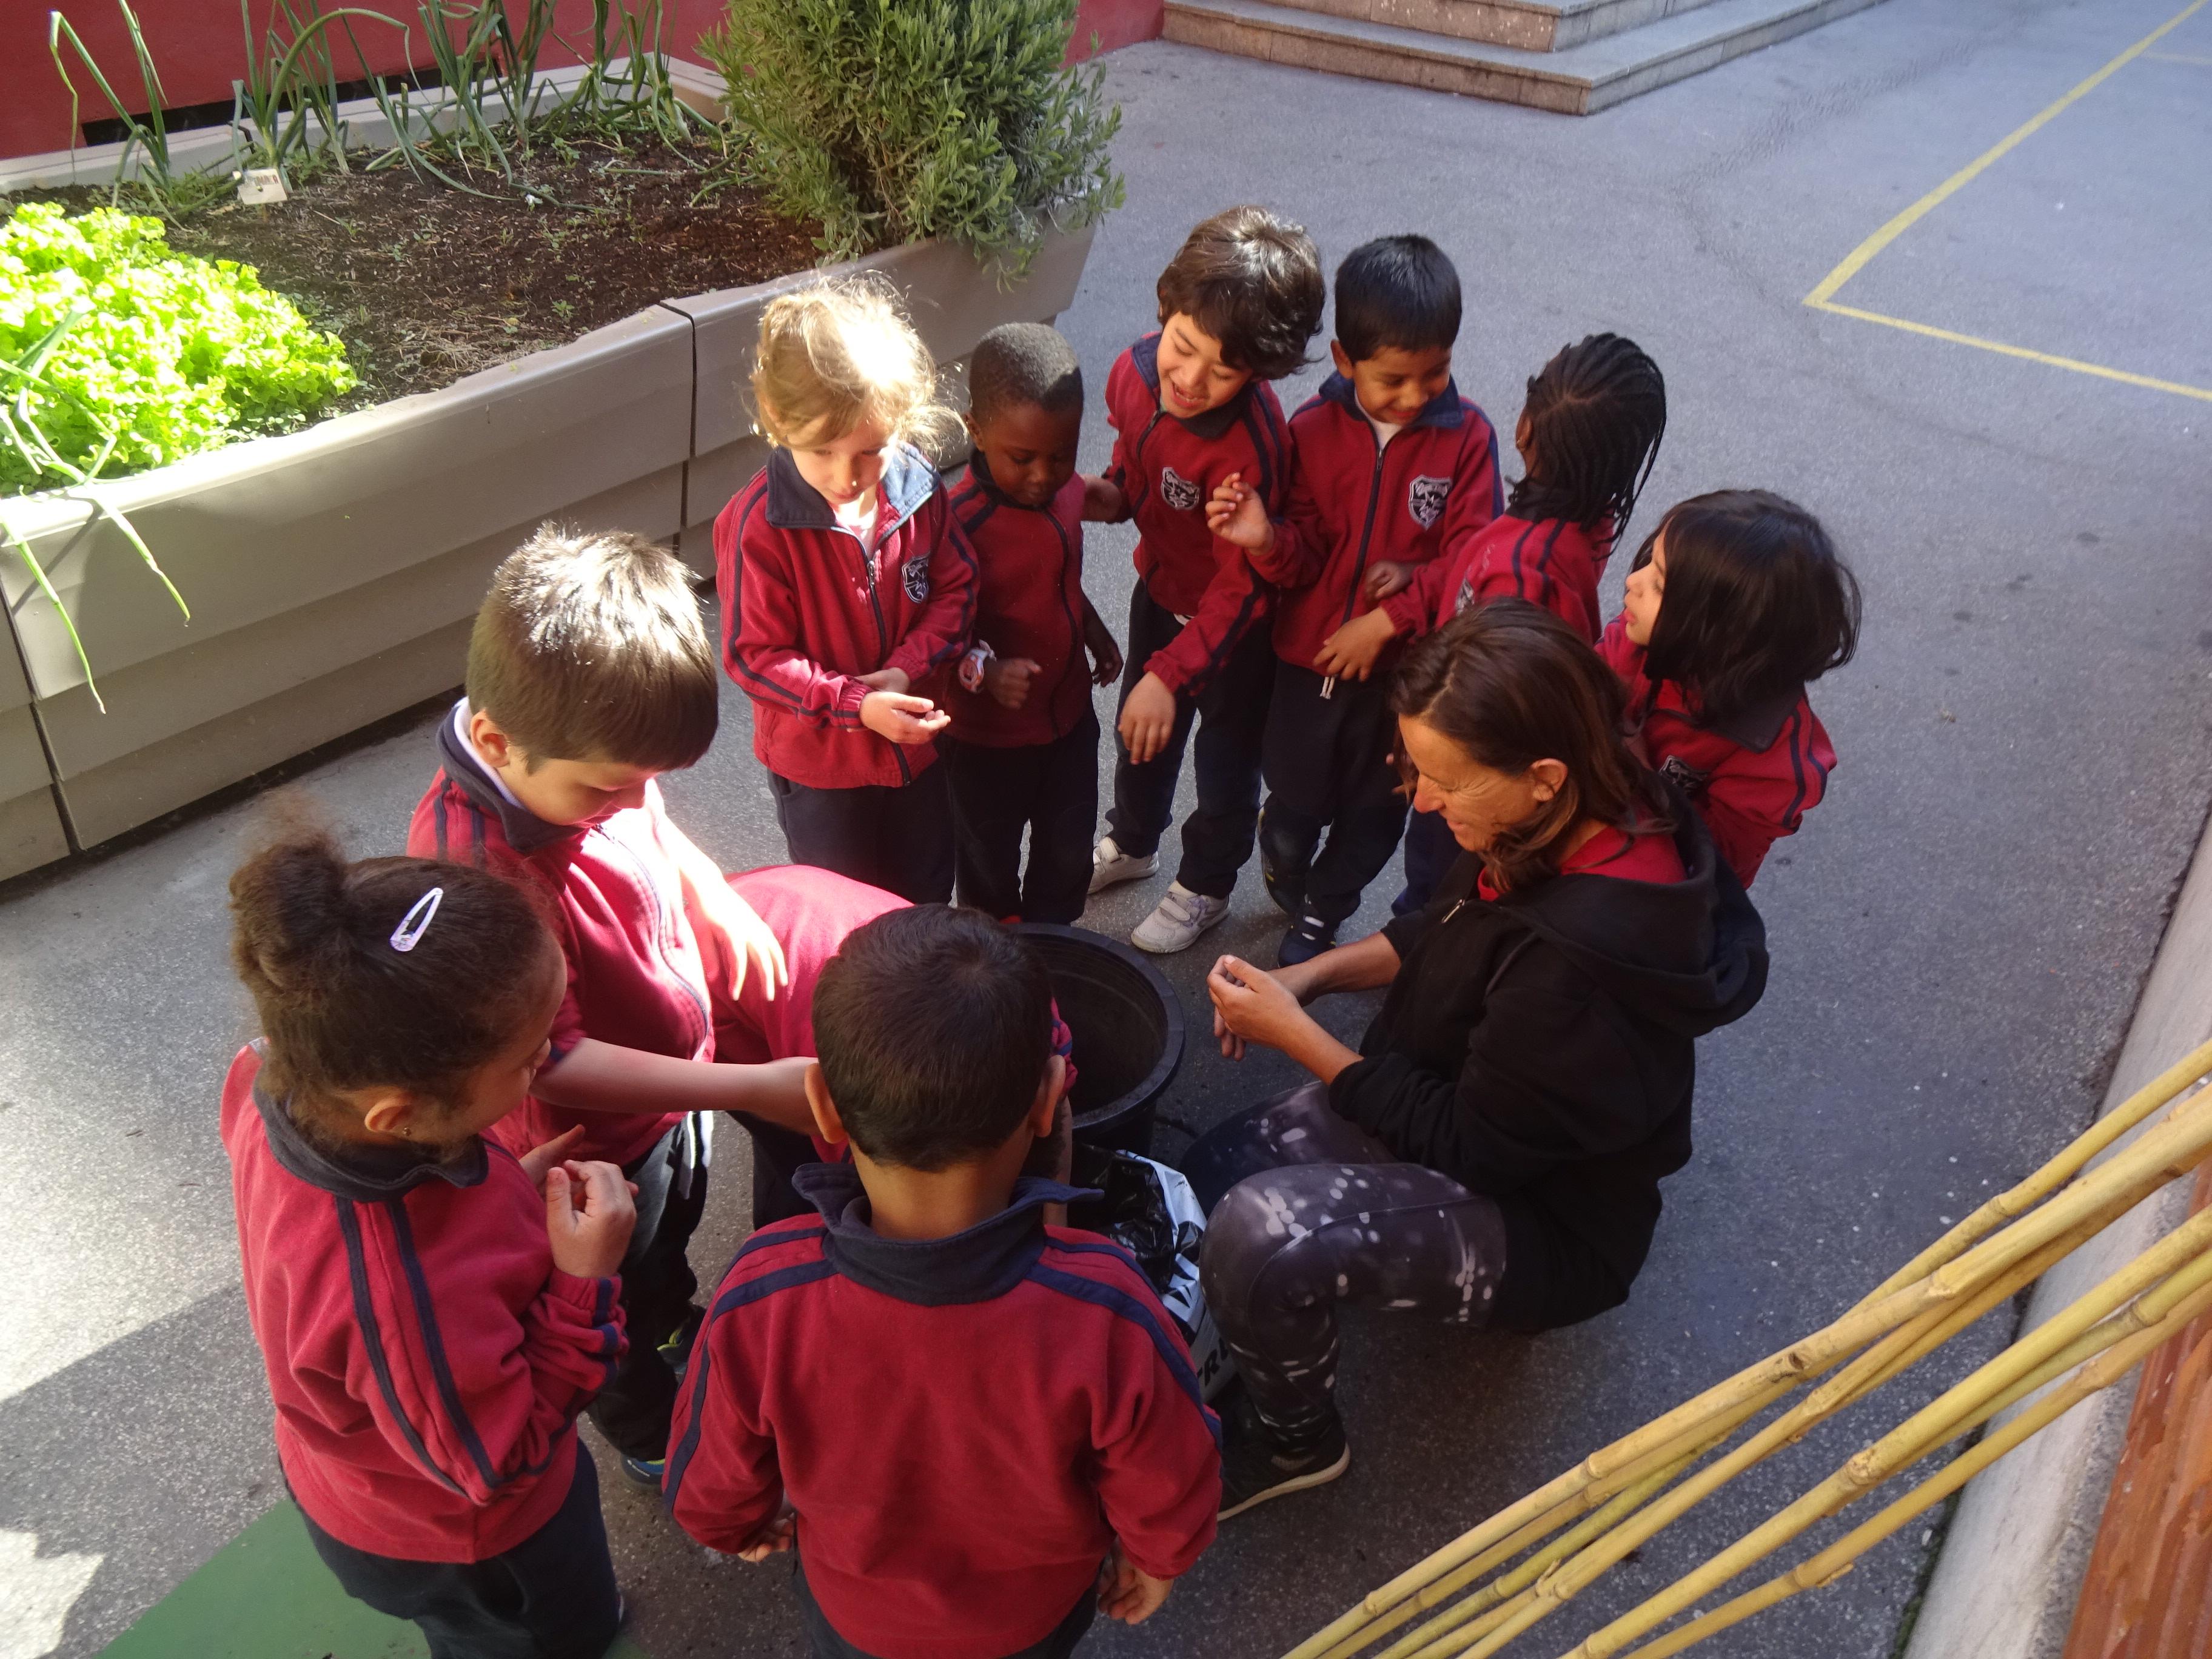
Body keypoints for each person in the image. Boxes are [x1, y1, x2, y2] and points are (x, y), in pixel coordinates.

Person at [1185, 602, 1767, 1518]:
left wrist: (1296, 1036)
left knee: (1260, 1239)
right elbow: (1443, 924)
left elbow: (1471, 1146)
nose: (1422, 802)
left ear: (1542, 777)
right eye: (1415, 771)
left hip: (1543, 1218)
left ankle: (1298, 1442)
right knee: (1213, 1169)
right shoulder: (1571, 812)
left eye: (1445, 782)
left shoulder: (1576, 972)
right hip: (1464, 1101)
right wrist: (1309, 978)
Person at [665, 906, 1222, 1658]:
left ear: (822, 1106)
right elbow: (1173, 1477)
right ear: (1049, 1101)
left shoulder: (761, 1298)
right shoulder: (1109, 1307)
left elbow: (706, 1484)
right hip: (1032, 1621)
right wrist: (1158, 1560)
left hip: (856, 1622)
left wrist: (740, 1524)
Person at [408, 526, 814, 1486]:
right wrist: (748, 1086)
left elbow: (648, 811)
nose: (632, 802)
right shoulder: (482, 875)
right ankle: (646, 1430)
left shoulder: (581, 763)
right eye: (607, 788)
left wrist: (708, 889)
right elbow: (551, 1057)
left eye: (646, 781)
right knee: (607, 1288)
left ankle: (668, 1315)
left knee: (664, 1242)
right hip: (589, 1146)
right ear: (497, 744)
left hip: (663, 1096)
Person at [221, 827, 636, 1659]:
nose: (547, 1059)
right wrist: (583, 1284)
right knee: (541, 1634)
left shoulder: (273, 1073)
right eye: (527, 1061)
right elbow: (502, 1460)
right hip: (473, 1539)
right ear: (401, 1114)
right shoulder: (399, 1299)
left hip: (374, 1466)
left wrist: (505, 1189)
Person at [1205, 235, 1501, 965]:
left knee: (1378, 813)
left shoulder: (1469, 439)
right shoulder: (1309, 430)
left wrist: (1393, 616)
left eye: (1436, 373)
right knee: (1294, 806)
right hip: (1309, 665)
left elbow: (1473, 561)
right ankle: (1289, 864)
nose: (1416, 396)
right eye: (1394, 379)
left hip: (1407, 679)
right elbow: (1301, 555)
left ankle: (1322, 913)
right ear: (1344, 359)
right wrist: (1265, 539)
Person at [1084, 205, 1326, 954]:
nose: (1189, 379)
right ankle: (1134, 842)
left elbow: (1244, 588)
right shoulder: (1132, 372)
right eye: (1183, 347)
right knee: (1141, 736)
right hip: (1160, 592)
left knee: (1225, 765)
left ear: (1260, 371)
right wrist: (1110, 494)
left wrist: (1171, 672)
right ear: (1166, 307)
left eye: (1223, 371)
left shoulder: (1252, 449)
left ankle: (1208, 886)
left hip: (1235, 632)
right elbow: (1134, 470)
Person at [1362, 333, 1667, 914]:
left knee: (1440, 893)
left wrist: (1430, 761)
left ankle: (1425, 948)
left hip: (1471, 764)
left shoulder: (1525, 571)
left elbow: (1495, 699)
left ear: (1525, 429)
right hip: (1475, 768)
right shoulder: (1583, 518)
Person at [717, 274, 979, 904]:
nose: (846, 476)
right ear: (777, 419)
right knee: (846, 905)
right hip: (822, 769)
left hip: (914, 747)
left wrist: (906, 667)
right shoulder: (759, 526)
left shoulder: (917, 486)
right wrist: (856, 703)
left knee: (924, 893)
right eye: (822, 451)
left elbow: (957, 588)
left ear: (901, 422)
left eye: (870, 451)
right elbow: (756, 657)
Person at [941, 323, 1124, 923]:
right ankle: (996, 951)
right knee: (987, 861)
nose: (1044, 476)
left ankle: (1054, 941)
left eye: (1061, 455)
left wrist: (1093, 632)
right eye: (1021, 459)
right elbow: (934, 634)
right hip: (985, 742)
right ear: (976, 431)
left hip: (1068, 721)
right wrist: (986, 672)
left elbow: (1059, 582)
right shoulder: (955, 525)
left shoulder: (1066, 494)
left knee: (1067, 853)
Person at [1600, 489, 1860, 887]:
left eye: (1660, 585)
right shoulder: (1640, 639)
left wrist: (1636, 770)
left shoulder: (1775, 757)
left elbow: (1713, 866)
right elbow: (1581, 688)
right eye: (1650, 562)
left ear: (1727, 634)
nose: (1632, 581)